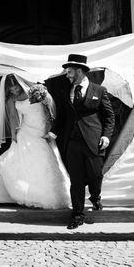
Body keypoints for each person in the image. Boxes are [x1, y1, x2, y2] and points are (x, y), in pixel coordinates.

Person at [50, 54, 115, 230]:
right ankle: (77, 214)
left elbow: (109, 116)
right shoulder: (66, 91)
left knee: (96, 174)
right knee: (76, 180)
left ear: (79, 71)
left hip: (94, 140)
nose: (67, 75)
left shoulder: (99, 91)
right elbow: (62, 116)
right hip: (72, 142)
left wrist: (106, 136)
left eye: (69, 71)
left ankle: (95, 196)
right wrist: (52, 133)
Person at [0, 74, 70, 209]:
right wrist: (14, 134)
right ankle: (33, 195)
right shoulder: (11, 99)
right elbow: (11, 116)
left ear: (20, 83)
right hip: (25, 132)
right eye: (11, 90)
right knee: (29, 165)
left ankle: (54, 194)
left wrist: (50, 129)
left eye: (15, 88)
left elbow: (50, 109)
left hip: (42, 131)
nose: (14, 91)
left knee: (47, 162)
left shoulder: (37, 91)